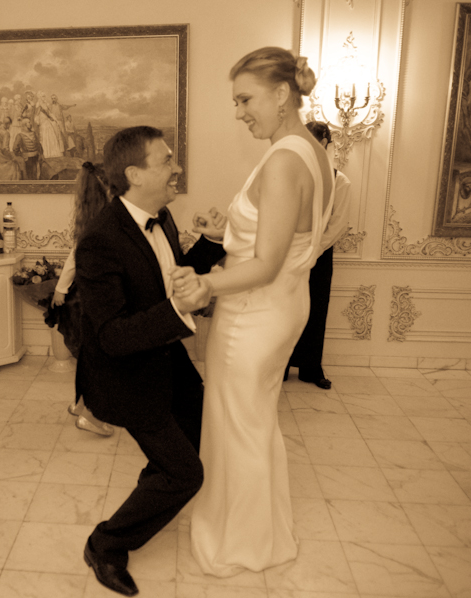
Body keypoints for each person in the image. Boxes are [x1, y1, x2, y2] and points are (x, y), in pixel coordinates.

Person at [182, 47, 334, 577]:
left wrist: (205, 283)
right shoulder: (311, 151)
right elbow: (290, 236)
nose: (239, 112)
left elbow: (266, 263)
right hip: (284, 304)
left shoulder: (284, 159)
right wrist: (228, 232)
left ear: (282, 93)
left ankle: (241, 542)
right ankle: (258, 529)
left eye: (245, 99)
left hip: (253, 313)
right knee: (254, 422)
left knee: (237, 427)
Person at [75, 125, 226, 596]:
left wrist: (212, 244)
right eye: (166, 160)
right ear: (134, 174)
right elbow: (112, 336)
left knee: (187, 448)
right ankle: (105, 544)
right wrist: (179, 310)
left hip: (168, 363)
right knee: (186, 474)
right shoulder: (99, 240)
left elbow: (167, 275)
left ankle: (146, 497)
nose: (176, 167)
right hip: (129, 378)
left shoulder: (162, 217)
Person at [284, 121, 352, 388]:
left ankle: (311, 368)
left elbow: (339, 224)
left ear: (323, 143)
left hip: (319, 255)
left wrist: (314, 249)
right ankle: (281, 366)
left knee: (315, 309)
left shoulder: (340, 181)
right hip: (288, 252)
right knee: (286, 309)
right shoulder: (292, 173)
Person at [49, 162, 114, 436]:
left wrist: (62, 289)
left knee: (90, 356)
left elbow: (75, 256)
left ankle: (80, 404)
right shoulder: (105, 219)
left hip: (88, 297)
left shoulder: (91, 218)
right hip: (97, 299)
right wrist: (61, 288)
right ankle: (90, 415)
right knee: (102, 359)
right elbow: (75, 257)